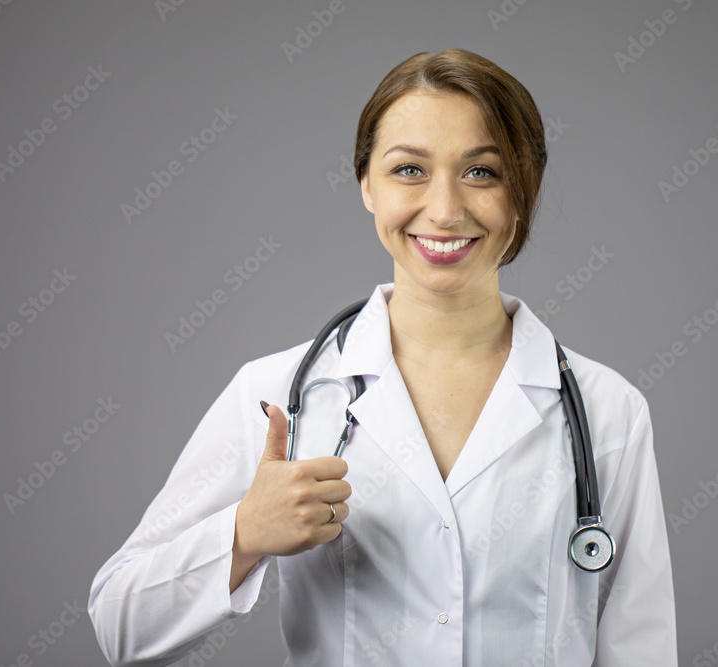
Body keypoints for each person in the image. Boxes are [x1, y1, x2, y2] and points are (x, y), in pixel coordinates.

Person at [88, 48, 676, 666]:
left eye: (481, 172)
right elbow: (120, 628)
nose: (445, 210)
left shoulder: (608, 412)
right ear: (366, 183)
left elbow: (642, 650)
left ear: (523, 191)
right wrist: (242, 536)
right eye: (409, 170)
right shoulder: (276, 395)